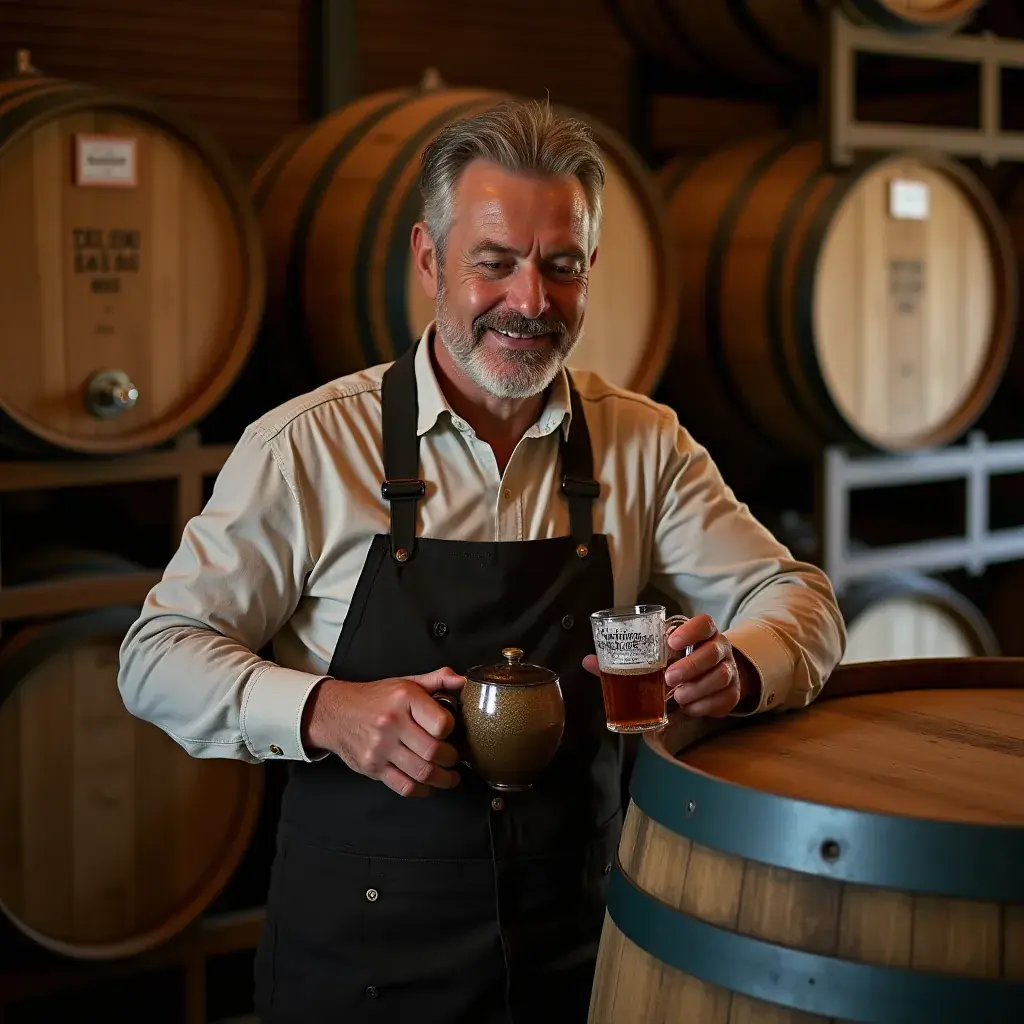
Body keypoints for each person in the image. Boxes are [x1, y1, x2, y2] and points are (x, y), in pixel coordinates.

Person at [118, 99, 845, 1024]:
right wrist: (323, 710)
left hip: (581, 958)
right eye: (494, 264)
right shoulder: (309, 446)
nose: (531, 302)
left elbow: (801, 598)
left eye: (561, 267)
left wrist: (741, 667)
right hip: (359, 970)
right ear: (430, 260)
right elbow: (154, 655)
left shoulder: (641, 445)